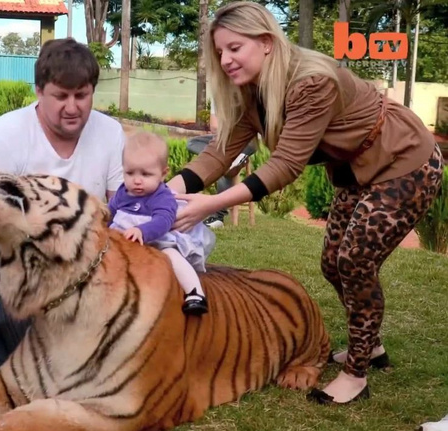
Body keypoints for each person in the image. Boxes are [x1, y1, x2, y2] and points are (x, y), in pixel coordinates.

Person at [166, 1, 443, 405]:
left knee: (354, 261)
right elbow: (219, 153)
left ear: (265, 42)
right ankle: (372, 344)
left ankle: (356, 373)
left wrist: (208, 205)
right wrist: (160, 192)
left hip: (404, 160)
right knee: (332, 263)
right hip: (356, 169)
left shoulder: (311, 81)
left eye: (234, 48)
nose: (225, 60)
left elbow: (286, 165)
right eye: (220, 52)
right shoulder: (255, 93)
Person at [0, 37, 126, 377]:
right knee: (28, 371)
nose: (72, 106)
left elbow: (121, 208)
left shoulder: (110, 133)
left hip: (83, 270)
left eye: (82, 95)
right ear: (39, 91)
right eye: (61, 96)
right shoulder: (3, 138)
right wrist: (32, 266)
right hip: (7, 274)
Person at [108, 131, 215, 315]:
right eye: (130, 172)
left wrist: (142, 230)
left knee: (173, 257)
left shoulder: (162, 196)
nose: (137, 180)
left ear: (163, 174)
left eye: (146, 174)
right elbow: (110, 212)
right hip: (125, 239)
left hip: (158, 240)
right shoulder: (123, 192)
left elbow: (163, 221)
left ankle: (194, 292)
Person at [186, 98, 257, 228]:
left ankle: (218, 216)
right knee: (192, 143)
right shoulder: (219, 94)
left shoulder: (249, 91)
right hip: (222, 140)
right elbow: (214, 126)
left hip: (246, 141)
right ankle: (231, 161)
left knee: (225, 159)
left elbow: (252, 128)